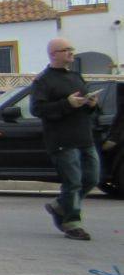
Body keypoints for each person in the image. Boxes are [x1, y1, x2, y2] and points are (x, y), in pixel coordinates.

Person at [29, 38, 100, 241]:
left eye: (71, 49)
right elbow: (38, 109)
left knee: (92, 178)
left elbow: (87, 108)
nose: (71, 53)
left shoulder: (76, 77)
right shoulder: (43, 81)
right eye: (66, 50)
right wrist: (66, 104)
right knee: (73, 182)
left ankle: (59, 205)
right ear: (53, 54)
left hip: (84, 136)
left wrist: (91, 104)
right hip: (61, 140)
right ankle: (72, 223)